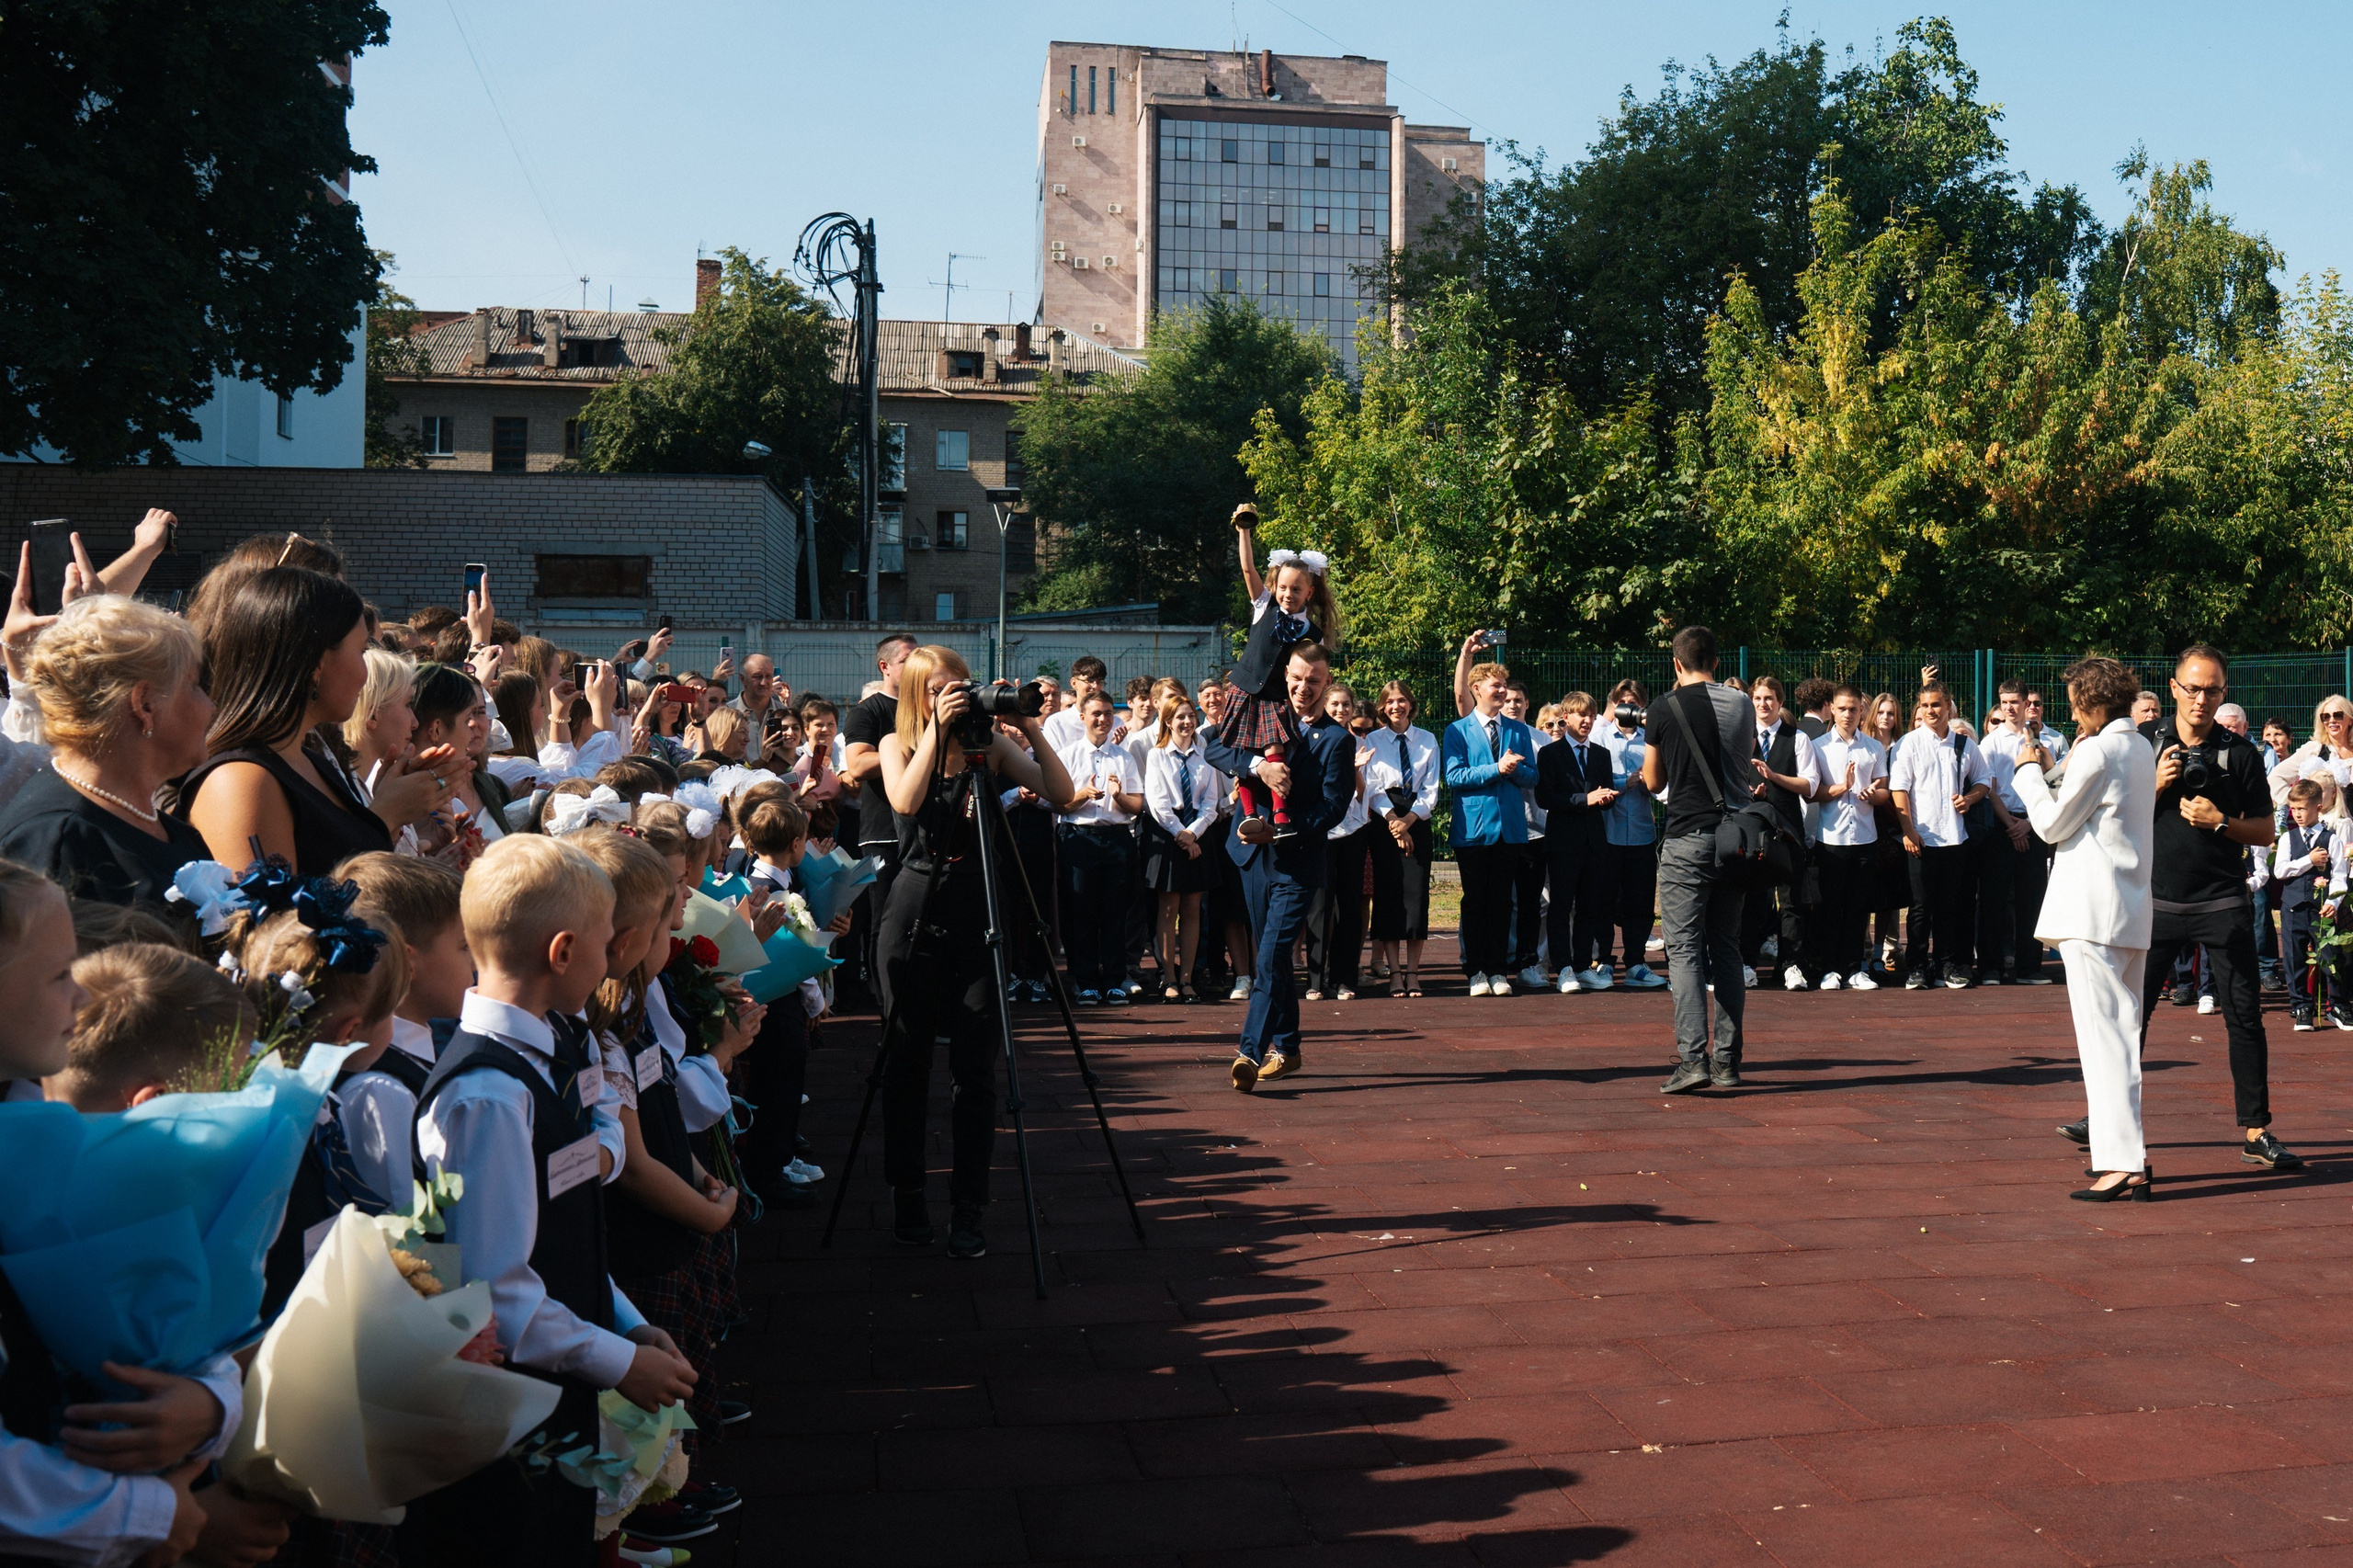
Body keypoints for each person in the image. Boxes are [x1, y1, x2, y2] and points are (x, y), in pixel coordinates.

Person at [407, 834, 698, 1567]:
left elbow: (554, 1236)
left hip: (554, 1377)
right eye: (604, 947)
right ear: (564, 953)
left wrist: (623, 1323)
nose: (611, 962)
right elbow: (495, 1293)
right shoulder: (490, 1097)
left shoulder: (553, 1046)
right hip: (511, 1410)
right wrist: (615, 1361)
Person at [875, 644, 1074, 1258]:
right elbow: (906, 801)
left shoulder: (991, 749)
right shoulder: (896, 745)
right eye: (941, 689)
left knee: (976, 1073)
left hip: (980, 912)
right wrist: (938, 731)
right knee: (906, 1067)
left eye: (962, 687)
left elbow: (1061, 792)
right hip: (913, 914)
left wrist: (1031, 724)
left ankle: (969, 1205)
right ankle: (909, 1193)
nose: (958, 698)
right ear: (917, 695)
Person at [2097, 645, 2304, 1172]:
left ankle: (2257, 1131)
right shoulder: (2142, 744)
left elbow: (2265, 830)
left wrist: (2219, 821)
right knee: (2128, 1018)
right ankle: (2102, 1116)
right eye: (2192, 688)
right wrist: (2156, 785)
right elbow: (2105, 815)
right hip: (2154, 901)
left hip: (2223, 901)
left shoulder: (2241, 753)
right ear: (2173, 688)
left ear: (2224, 693)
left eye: (2212, 689)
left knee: (2245, 1018)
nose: (2201, 699)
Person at [2011, 656, 2158, 1200]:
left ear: (2093, 701)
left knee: (2106, 1041)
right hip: (2128, 909)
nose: (2071, 710)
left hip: (2094, 912)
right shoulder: (2138, 744)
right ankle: (2126, 1157)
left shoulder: (2100, 748)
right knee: (2117, 1036)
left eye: (2075, 699)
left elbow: (2050, 825)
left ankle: (2123, 1162)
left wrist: (2028, 770)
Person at [183, 568, 429, 875]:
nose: (366, 674)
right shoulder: (242, 781)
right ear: (316, 665)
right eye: (362, 651)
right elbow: (270, 919)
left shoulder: (311, 761)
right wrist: (386, 816)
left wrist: (385, 809)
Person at [1203, 642, 1355, 1088]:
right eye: (1297, 678)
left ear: (1327, 684)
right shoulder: (1262, 713)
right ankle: (1288, 1048)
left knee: (1268, 957)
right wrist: (1256, 766)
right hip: (1251, 858)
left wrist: (1280, 831)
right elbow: (1213, 748)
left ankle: (1250, 1052)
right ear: (1284, 675)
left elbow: (1333, 808)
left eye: (1314, 681)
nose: (1303, 688)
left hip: (1297, 862)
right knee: (1274, 963)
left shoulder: (1337, 741)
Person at [0, 596, 215, 909]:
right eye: (194, 685)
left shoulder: (157, 825)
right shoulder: (56, 844)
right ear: (145, 704)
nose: (211, 706)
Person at [1639, 626, 1756, 1092]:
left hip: (1687, 837)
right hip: (1734, 838)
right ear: (1717, 661)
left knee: (1684, 950)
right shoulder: (1743, 704)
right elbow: (1743, 762)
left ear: (1675, 663)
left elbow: (1651, 781)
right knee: (1726, 947)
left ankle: (1693, 1060)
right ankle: (1728, 1062)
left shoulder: (1662, 708)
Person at [1211, 505, 1340, 836]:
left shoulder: (1312, 632)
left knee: (1273, 752)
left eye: (1296, 590)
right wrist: (1243, 531)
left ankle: (1281, 815)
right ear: (1275, 586)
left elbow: (1314, 675)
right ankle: (1249, 814)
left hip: (1276, 701)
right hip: (1245, 691)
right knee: (1243, 753)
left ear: (1309, 593)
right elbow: (1247, 569)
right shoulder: (1263, 606)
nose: (1287, 594)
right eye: (1283, 587)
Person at [1442, 657, 1538, 997]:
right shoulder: (1457, 731)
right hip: (1473, 830)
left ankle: (1499, 970)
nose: (1501, 691)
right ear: (1476, 688)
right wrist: (1497, 768)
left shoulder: (1518, 729)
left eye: (1504, 685)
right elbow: (1454, 777)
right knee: (1475, 902)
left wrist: (1514, 770)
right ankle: (1476, 969)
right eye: (1495, 686)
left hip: (1510, 830)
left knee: (1502, 902)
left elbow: (1532, 776)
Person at [1888, 682, 1994, 989]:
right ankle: (1917, 968)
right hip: (1921, 840)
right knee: (1921, 908)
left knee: (1950, 907)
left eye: (1936, 705)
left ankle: (1947, 965)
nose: (1930, 711)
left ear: (1949, 706)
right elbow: (1899, 790)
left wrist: (1971, 798)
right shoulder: (1909, 743)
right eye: (1925, 705)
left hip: (1955, 839)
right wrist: (1908, 832)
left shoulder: (1964, 745)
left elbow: (1984, 781)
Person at [1051, 691, 1143, 1005]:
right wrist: (1081, 795)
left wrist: (1118, 797)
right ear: (1082, 717)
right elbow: (1056, 802)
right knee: (1080, 911)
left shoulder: (1124, 757)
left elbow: (1137, 806)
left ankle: (1115, 979)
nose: (1102, 719)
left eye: (1107, 713)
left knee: (1116, 912)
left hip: (1117, 838)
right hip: (1078, 838)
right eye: (1096, 714)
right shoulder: (1067, 756)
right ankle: (1085, 979)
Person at [1534, 692, 1616, 994]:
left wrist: (1606, 798)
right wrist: (1586, 799)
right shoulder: (1550, 754)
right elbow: (1546, 797)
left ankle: (1583, 966)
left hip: (1594, 843)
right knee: (1560, 906)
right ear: (1565, 717)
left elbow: (1603, 799)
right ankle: (1564, 968)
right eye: (1581, 715)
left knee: (1589, 906)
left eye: (1591, 715)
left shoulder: (1600, 754)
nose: (1587, 720)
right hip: (1563, 843)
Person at [1745, 676, 1824, 989]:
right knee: (1751, 898)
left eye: (1769, 699)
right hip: (1752, 828)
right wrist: (1750, 790)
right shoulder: (1743, 737)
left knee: (1790, 900)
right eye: (1758, 699)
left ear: (1780, 703)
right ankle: (1747, 962)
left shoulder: (1798, 738)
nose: (1763, 704)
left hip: (1788, 829)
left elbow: (1810, 785)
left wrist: (1774, 777)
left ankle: (1791, 964)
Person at [1809, 686, 1889, 990]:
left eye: (1853, 709)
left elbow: (1884, 788)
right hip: (1831, 838)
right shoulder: (1819, 747)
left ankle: (1855, 968)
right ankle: (1830, 968)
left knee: (1858, 907)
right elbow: (1811, 792)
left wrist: (1873, 792)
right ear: (1831, 708)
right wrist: (1841, 787)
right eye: (1842, 709)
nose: (1847, 715)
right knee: (1831, 907)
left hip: (1865, 838)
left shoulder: (1873, 748)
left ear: (1861, 712)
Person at [1142, 698, 1222, 1003]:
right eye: (1180, 717)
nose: (1187, 722)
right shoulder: (1157, 756)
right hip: (1169, 836)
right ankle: (1168, 978)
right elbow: (1158, 803)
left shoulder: (1206, 755)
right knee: (1167, 910)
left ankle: (1187, 978)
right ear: (1167, 721)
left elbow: (1211, 803)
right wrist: (1182, 835)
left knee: (1192, 910)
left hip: (1199, 836)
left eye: (1191, 716)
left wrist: (1194, 834)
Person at [1978, 679, 2056, 984]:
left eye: (2015, 701)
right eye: (2004, 702)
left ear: (2027, 704)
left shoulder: (2040, 742)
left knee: (2031, 898)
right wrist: (2011, 824)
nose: (2010, 707)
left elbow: (2050, 784)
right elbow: (1990, 790)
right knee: (1994, 900)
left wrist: (2027, 823)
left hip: (2034, 824)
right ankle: (1990, 968)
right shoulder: (1991, 743)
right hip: (2001, 827)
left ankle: (2029, 968)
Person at [1363, 679, 1438, 998]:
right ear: (1383, 706)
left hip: (1416, 819)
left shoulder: (1428, 740)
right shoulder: (1372, 740)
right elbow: (1371, 787)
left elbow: (1432, 789)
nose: (1397, 706)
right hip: (1385, 821)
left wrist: (1408, 821)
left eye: (1402, 700)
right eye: (1390, 701)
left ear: (1411, 704)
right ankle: (1394, 972)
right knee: (1388, 896)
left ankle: (1413, 973)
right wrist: (1394, 821)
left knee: (1416, 898)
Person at [1303, 685, 1376, 1002]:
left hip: (1352, 832)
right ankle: (1316, 980)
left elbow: (1362, 795)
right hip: (1321, 832)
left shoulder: (1360, 744)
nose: (1341, 710)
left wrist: (1356, 770)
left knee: (1349, 907)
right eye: (1335, 704)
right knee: (1319, 907)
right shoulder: (1309, 739)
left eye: (1346, 705)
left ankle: (1344, 978)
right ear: (1324, 704)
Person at [2272, 778, 2349, 1030]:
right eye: (2294, 809)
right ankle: (2301, 1006)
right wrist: (2309, 859)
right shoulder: (2287, 839)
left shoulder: (2331, 839)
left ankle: (2336, 1005)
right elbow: (2280, 871)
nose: (2298, 814)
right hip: (2293, 907)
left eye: (2303, 808)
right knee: (2294, 959)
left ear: (2318, 807)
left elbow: (2339, 875)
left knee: (2330, 956)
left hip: (2321, 910)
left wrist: (2333, 902)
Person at [725, 653, 787, 763]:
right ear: (742, 679)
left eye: (768, 676)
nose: (764, 683)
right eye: (757, 677)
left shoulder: (784, 714)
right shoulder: (727, 713)